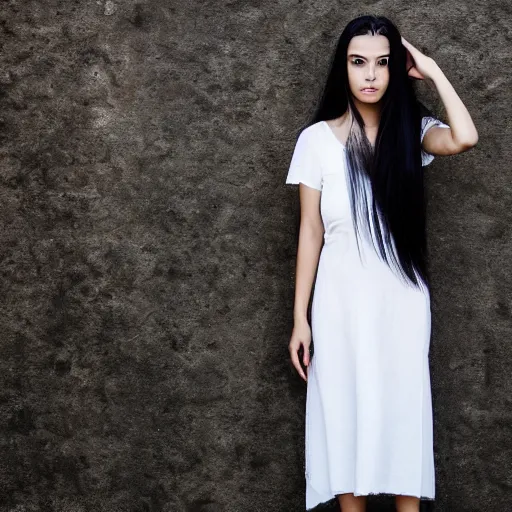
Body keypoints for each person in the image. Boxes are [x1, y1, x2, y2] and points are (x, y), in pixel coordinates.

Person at [285, 15, 478, 512]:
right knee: (344, 409)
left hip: (402, 298)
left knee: (400, 410)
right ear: (342, 68)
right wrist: (299, 318)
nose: (370, 75)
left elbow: (465, 138)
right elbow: (312, 231)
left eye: (383, 63)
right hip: (339, 300)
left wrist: (433, 71)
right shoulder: (316, 140)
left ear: (397, 69)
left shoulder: (412, 132)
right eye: (358, 62)